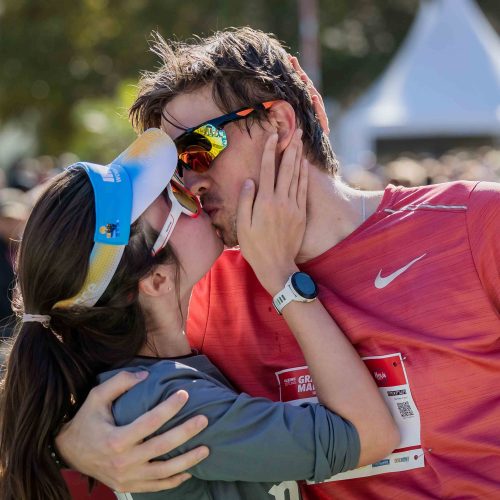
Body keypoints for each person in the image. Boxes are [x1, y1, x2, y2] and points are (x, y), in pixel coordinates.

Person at [56, 28, 500, 499]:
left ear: (281, 125)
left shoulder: (475, 223)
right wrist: (69, 445)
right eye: (175, 168)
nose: (190, 181)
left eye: (198, 149)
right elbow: (56, 388)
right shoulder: (195, 286)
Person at [0, 128, 398, 500]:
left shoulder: (139, 385)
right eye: (176, 197)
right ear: (156, 280)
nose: (194, 192)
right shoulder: (170, 403)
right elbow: (369, 434)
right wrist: (281, 276)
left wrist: (61, 445)